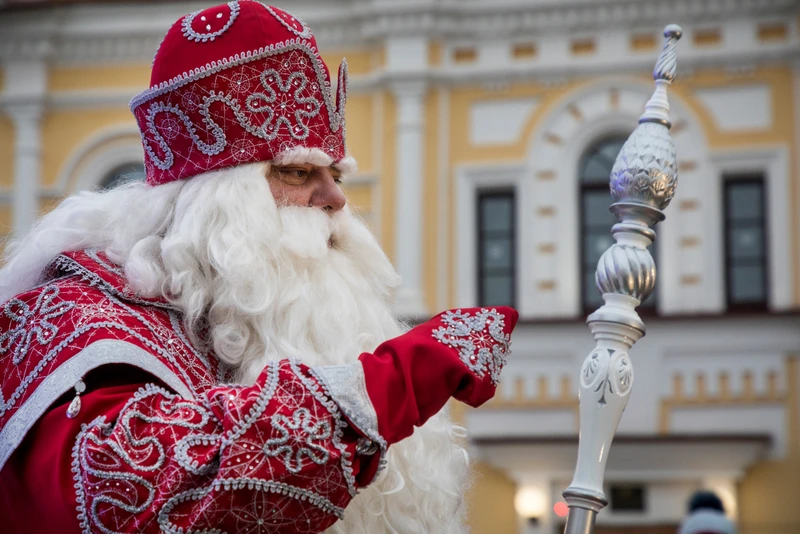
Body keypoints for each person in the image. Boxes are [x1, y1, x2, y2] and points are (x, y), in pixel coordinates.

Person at [0, 2, 519, 533]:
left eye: (335, 172)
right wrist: (394, 381)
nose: (336, 197)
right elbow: (127, 492)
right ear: (209, 198)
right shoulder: (76, 319)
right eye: (297, 171)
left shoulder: (237, 320)